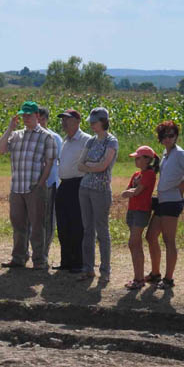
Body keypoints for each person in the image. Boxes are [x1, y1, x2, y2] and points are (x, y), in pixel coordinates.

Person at [0, 101, 56, 270]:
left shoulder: (46, 137)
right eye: (24, 115)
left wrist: (40, 184)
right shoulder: (15, 135)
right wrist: (9, 128)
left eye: (29, 115)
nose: (26, 118)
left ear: (37, 116)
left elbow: (49, 162)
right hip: (17, 187)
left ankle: (39, 259)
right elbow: (0, 149)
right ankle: (19, 257)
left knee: (38, 225)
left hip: (34, 188)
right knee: (18, 224)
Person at [145, 120, 184, 289]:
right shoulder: (166, 153)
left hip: (172, 201)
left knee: (169, 240)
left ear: (176, 136)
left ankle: (169, 279)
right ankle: (155, 274)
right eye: (164, 136)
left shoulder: (178, 153)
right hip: (163, 200)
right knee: (150, 236)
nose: (168, 139)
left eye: (171, 135)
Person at [76, 107, 118, 282]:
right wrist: (94, 165)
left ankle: (105, 271)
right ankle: (88, 268)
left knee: (102, 230)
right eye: (91, 122)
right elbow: (79, 164)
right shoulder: (91, 141)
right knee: (88, 230)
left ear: (103, 122)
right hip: (85, 188)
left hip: (101, 190)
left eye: (95, 122)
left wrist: (90, 165)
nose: (92, 125)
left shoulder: (111, 141)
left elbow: (103, 166)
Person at [54, 108, 89, 272]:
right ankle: (66, 261)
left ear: (77, 121)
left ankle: (78, 262)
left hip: (78, 184)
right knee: (63, 224)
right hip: (64, 184)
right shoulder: (65, 141)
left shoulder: (86, 140)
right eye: (63, 120)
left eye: (67, 119)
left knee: (76, 224)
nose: (64, 122)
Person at [119, 146, 159, 290]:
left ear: (147, 160)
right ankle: (138, 277)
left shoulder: (149, 174)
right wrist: (130, 192)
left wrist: (129, 192)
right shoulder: (136, 174)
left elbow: (136, 191)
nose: (136, 160)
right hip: (133, 210)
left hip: (142, 211)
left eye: (138, 158)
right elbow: (130, 189)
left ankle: (139, 279)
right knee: (135, 245)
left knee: (133, 242)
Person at [37, 107, 63, 258]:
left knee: (48, 219)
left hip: (50, 183)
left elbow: (57, 161)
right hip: (31, 184)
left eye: (42, 119)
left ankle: (44, 252)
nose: (39, 122)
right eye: (37, 118)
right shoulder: (28, 136)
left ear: (46, 120)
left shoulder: (55, 138)